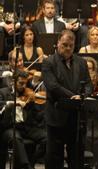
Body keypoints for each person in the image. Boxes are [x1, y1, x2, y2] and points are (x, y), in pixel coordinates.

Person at [42, 30, 93, 169]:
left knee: (76, 157)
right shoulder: (48, 62)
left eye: (71, 45)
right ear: (58, 43)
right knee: (54, 157)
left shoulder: (81, 62)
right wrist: (73, 96)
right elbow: (53, 86)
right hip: (56, 115)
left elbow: (88, 84)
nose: (68, 48)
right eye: (64, 45)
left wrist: (83, 96)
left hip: (76, 117)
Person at [0, 70, 47, 169]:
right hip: (10, 127)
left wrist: (40, 106)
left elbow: (36, 115)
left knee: (47, 138)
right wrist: (12, 103)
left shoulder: (29, 94)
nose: (24, 86)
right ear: (13, 81)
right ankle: (26, 166)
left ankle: (31, 162)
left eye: (26, 83)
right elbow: (1, 105)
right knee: (16, 138)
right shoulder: (3, 92)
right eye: (21, 83)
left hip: (27, 127)